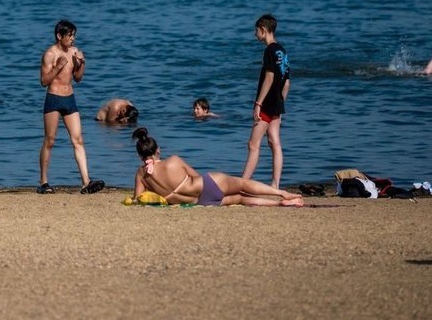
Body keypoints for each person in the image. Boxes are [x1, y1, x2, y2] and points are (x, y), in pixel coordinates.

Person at [132, 127, 303, 207]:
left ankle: (279, 205)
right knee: (242, 184)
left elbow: (138, 198)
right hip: (204, 186)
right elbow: (195, 175)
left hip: (199, 202)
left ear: (140, 156)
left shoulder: (141, 174)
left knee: (241, 199)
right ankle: (282, 193)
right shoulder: (174, 160)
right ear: (158, 150)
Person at [38, 20, 104, 195]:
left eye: (74, 35)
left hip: (70, 100)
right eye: (70, 35)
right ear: (60, 36)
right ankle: (44, 182)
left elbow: (78, 78)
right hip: (53, 99)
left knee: (78, 140)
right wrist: (58, 67)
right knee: (50, 141)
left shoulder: (74, 52)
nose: (73, 39)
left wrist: (81, 64)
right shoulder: (50, 54)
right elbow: (44, 81)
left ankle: (86, 182)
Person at [242, 14, 290, 189]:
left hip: (267, 103)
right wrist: (280, 101)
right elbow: (287, 81)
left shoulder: (269, 50)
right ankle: (275, 184)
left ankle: (243, 183)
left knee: (253, 144)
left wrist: (258, 103)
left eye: (256, 31)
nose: (255, 34)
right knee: (274, 142)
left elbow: (269, 78)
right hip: (277, 103)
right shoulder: (282, 51)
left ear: (263, 29)